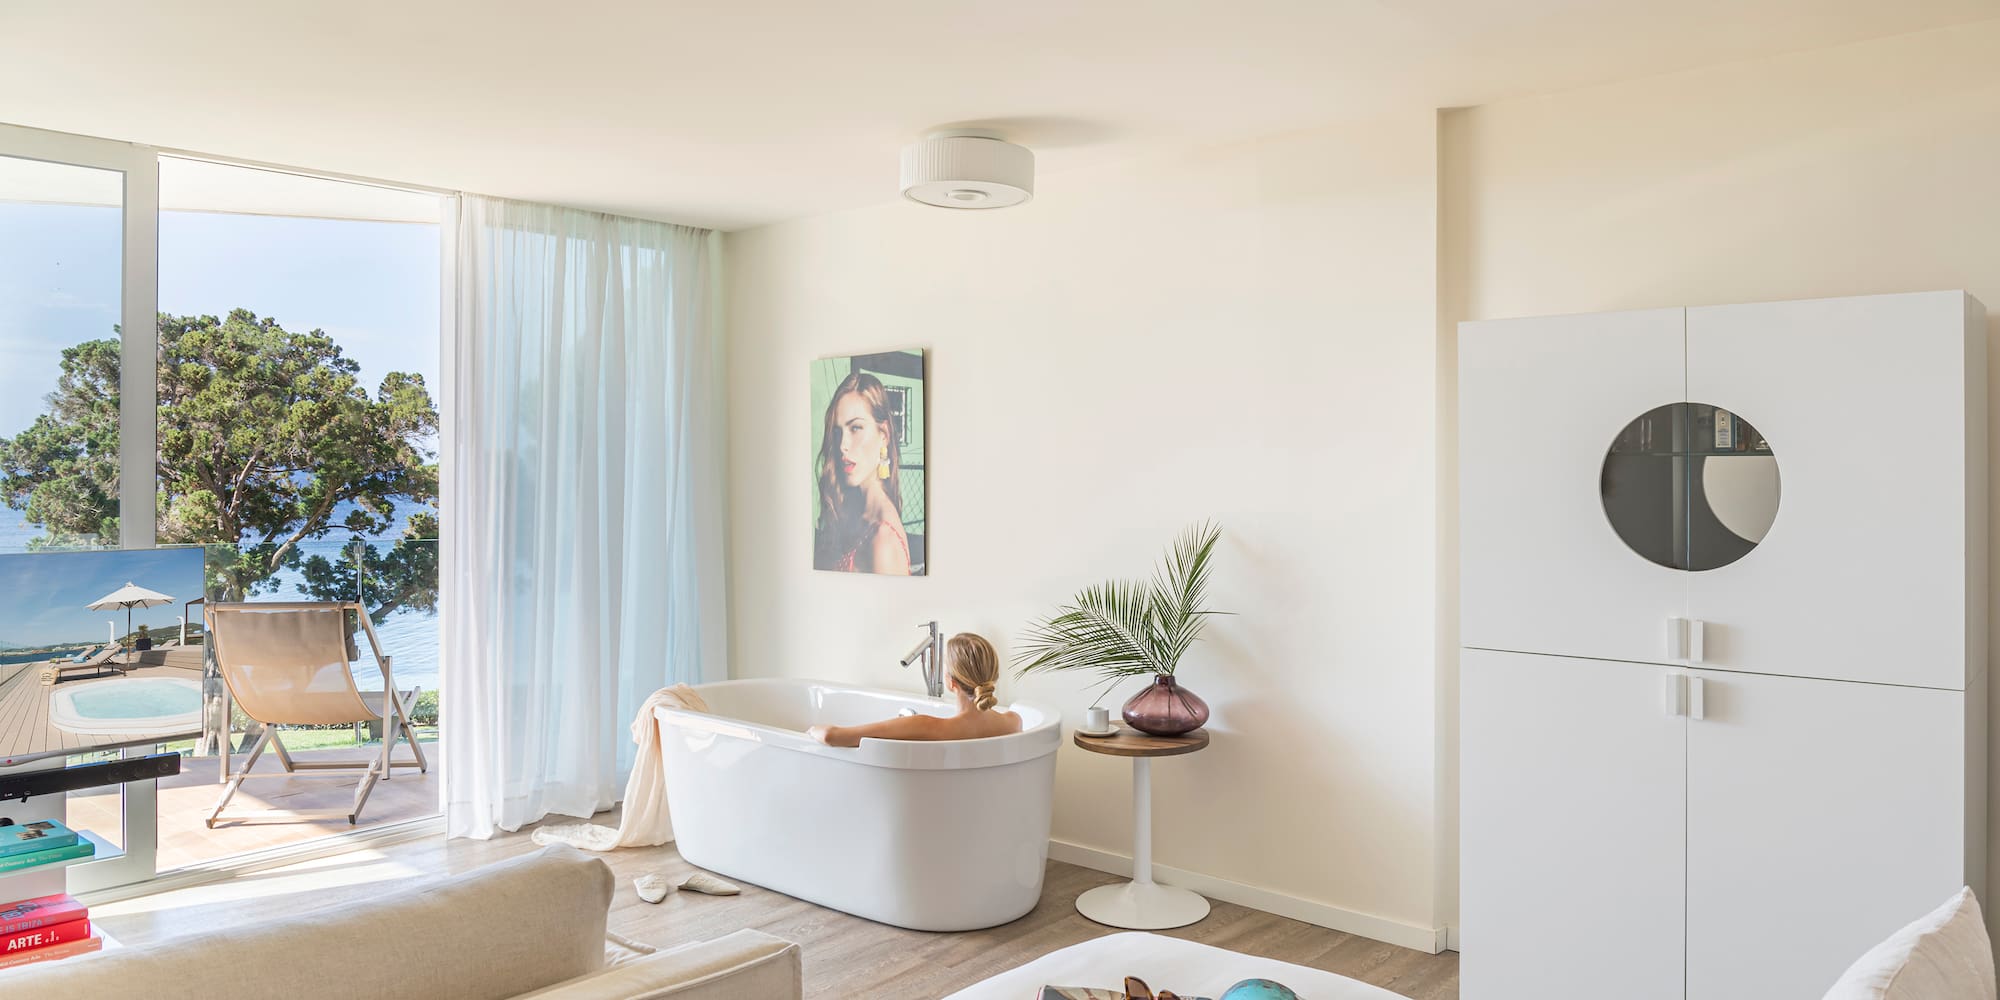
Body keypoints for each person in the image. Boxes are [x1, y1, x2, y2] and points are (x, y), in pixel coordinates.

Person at [808, 634, 1022, 746]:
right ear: (994, 676)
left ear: (950, 682)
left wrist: (811, 731)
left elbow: (831, 736)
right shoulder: (1013, 722)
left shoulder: (926, 727)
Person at [813, 372, 911, 575]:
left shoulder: (883, 541)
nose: (842, 446)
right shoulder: (856, 511)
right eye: (838, 432)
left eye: (855, 428)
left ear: (883, 435)